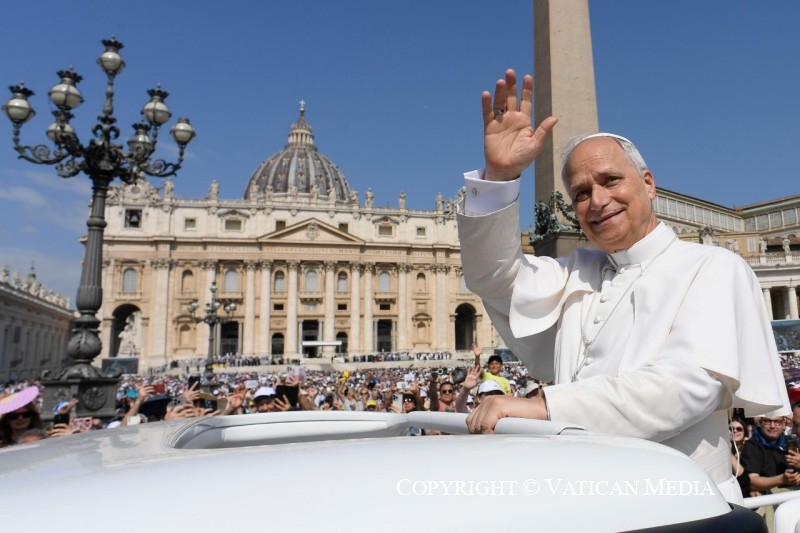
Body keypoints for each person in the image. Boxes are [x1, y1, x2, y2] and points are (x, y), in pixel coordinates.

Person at [457, 68, 789, 503]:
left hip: (682, 505)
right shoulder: (575, 271)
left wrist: (545, 407)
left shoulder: (714, 266)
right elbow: (492, 277)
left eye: (610, 180)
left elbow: (688, 386)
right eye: (579, 193)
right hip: (583, 501)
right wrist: (500, 178)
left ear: (648, 184)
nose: (596, 201)